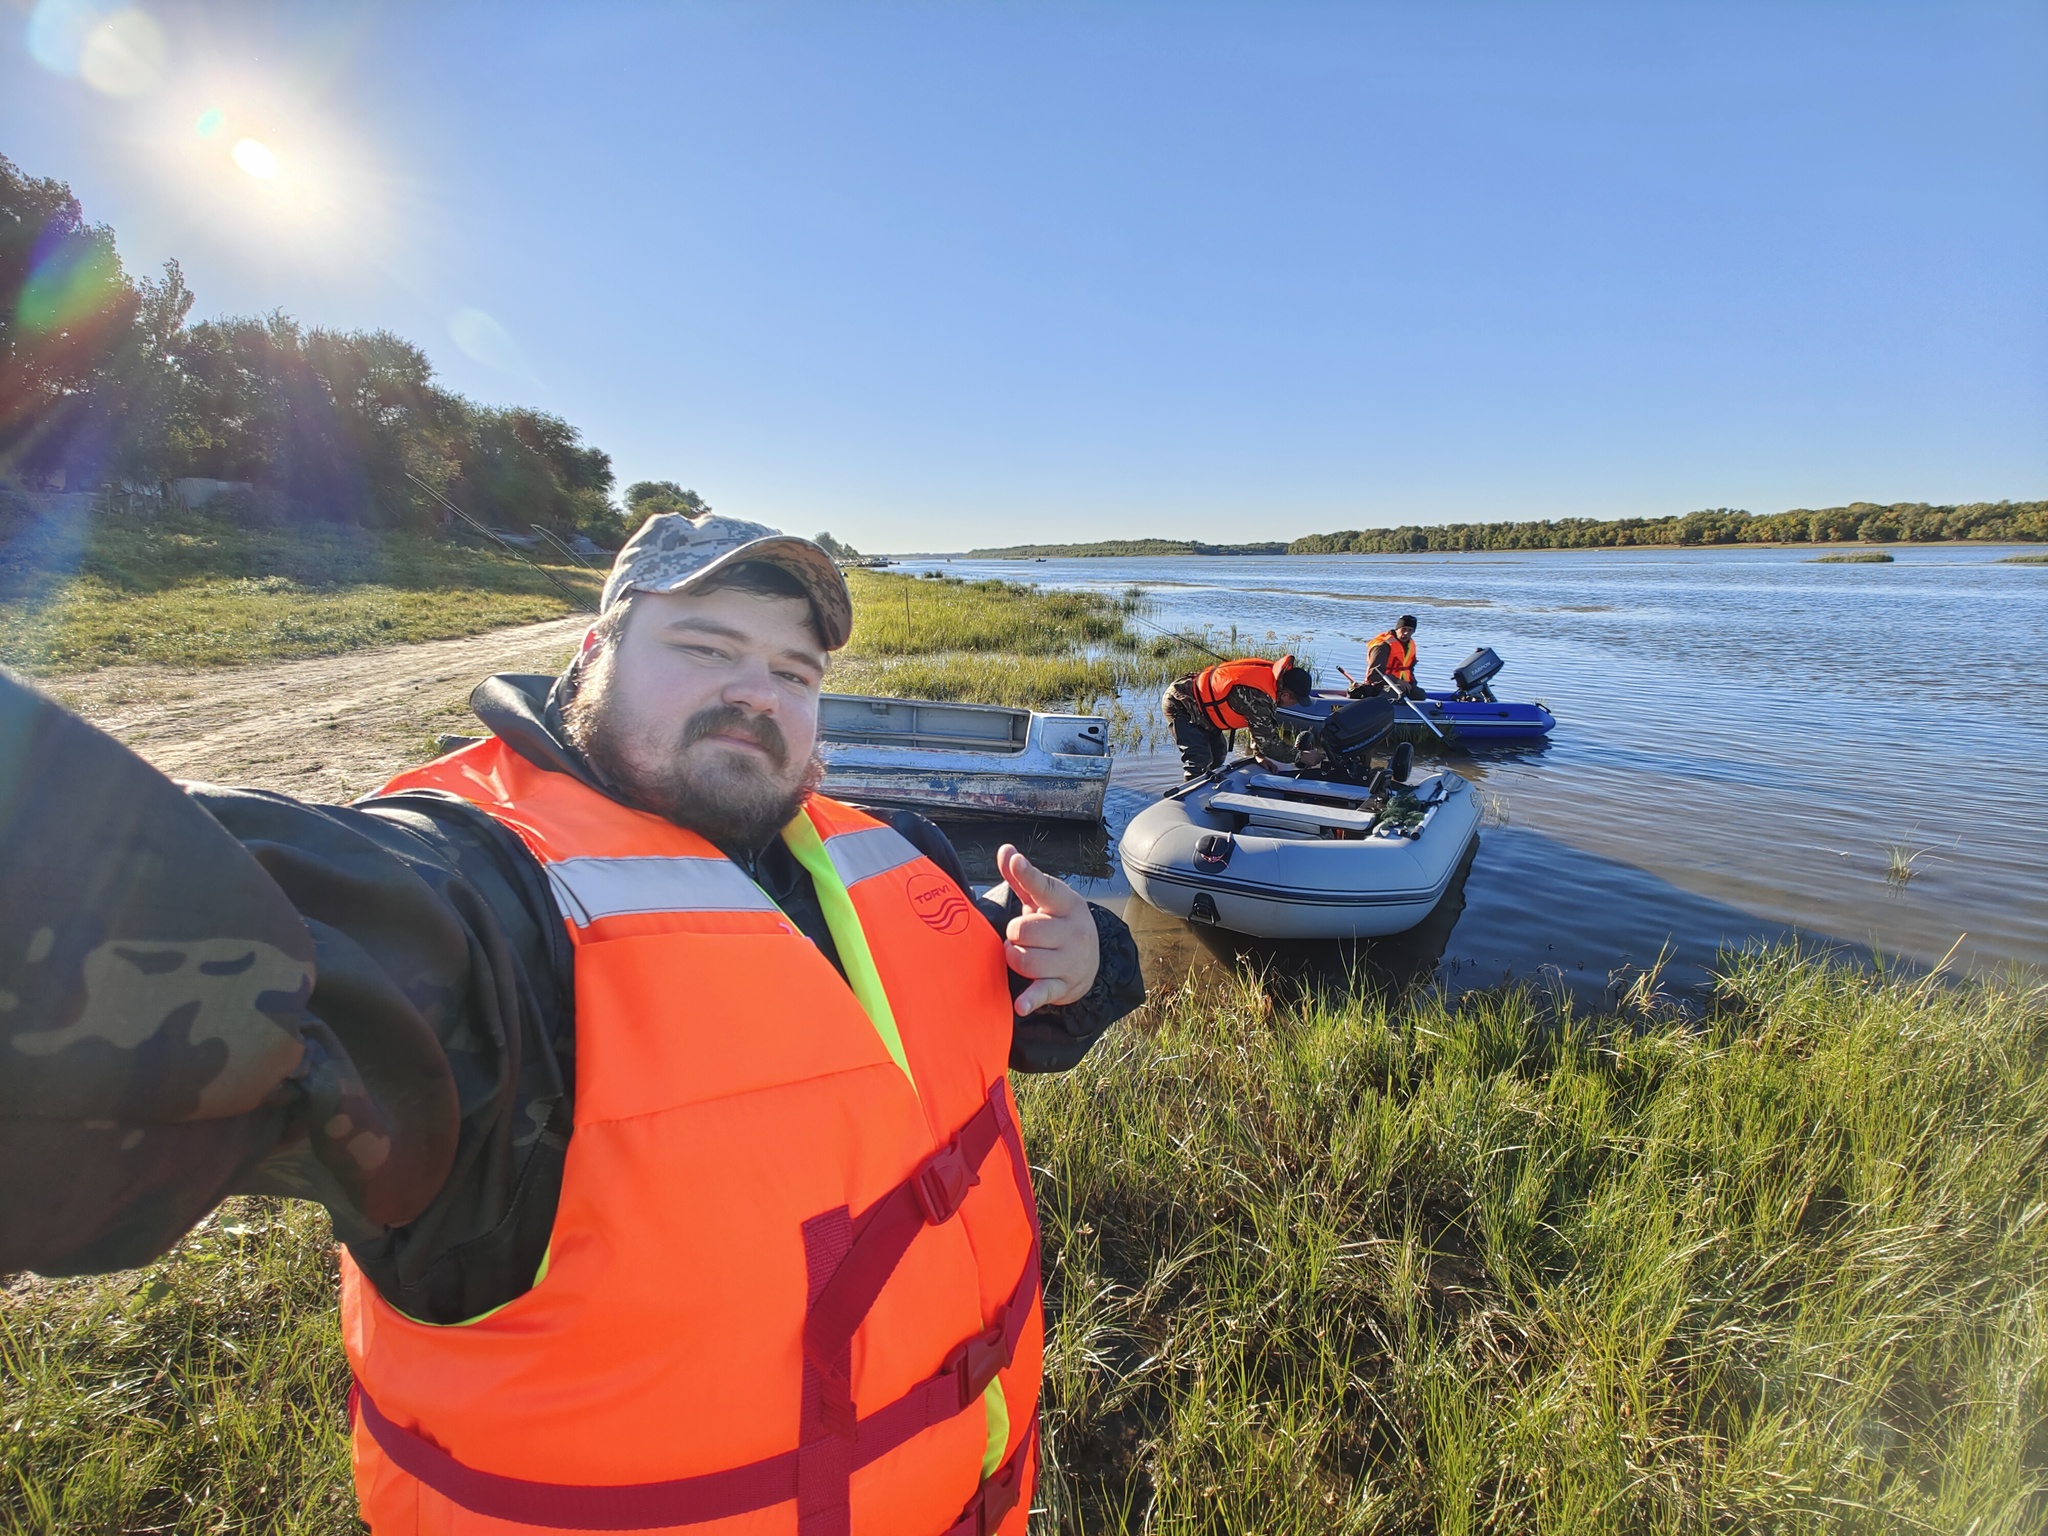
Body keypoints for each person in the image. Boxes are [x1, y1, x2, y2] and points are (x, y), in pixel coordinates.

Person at [0, 512, 1146, 1535]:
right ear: (590, 657)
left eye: (794, 674)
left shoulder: (883, 851)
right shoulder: (483, 910)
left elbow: (1006, 995)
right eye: (704, 648)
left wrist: (1090, 956)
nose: (757, 692)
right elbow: (181, 939)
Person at [1160, 654, 1326, 779]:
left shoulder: (1271, 685)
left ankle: (1209, 790)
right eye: (1295, 701)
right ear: (1286, 696)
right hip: (1181, 703)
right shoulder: (1259, 697)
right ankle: (1185, 803)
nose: (1294, 705)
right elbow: (1269, 743)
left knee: (1218, 754)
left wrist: (1258, 756)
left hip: (1205, 710)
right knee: (1199, 759)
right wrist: (1302, 756)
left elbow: (1259, 725)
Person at [1360, 614, 1426, 700]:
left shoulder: (1410, 646)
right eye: (1404, 629)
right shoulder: (1382, 646)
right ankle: (1376, 706)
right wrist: (1397, 681)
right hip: (1379, 685)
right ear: (1397, 629)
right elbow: (1374, 675)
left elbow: (1409, 669)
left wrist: (1411, 684)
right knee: (1397, 690)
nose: (1406, 633)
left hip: (1401, 685)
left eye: (1410, 630)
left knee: (1419, 694)